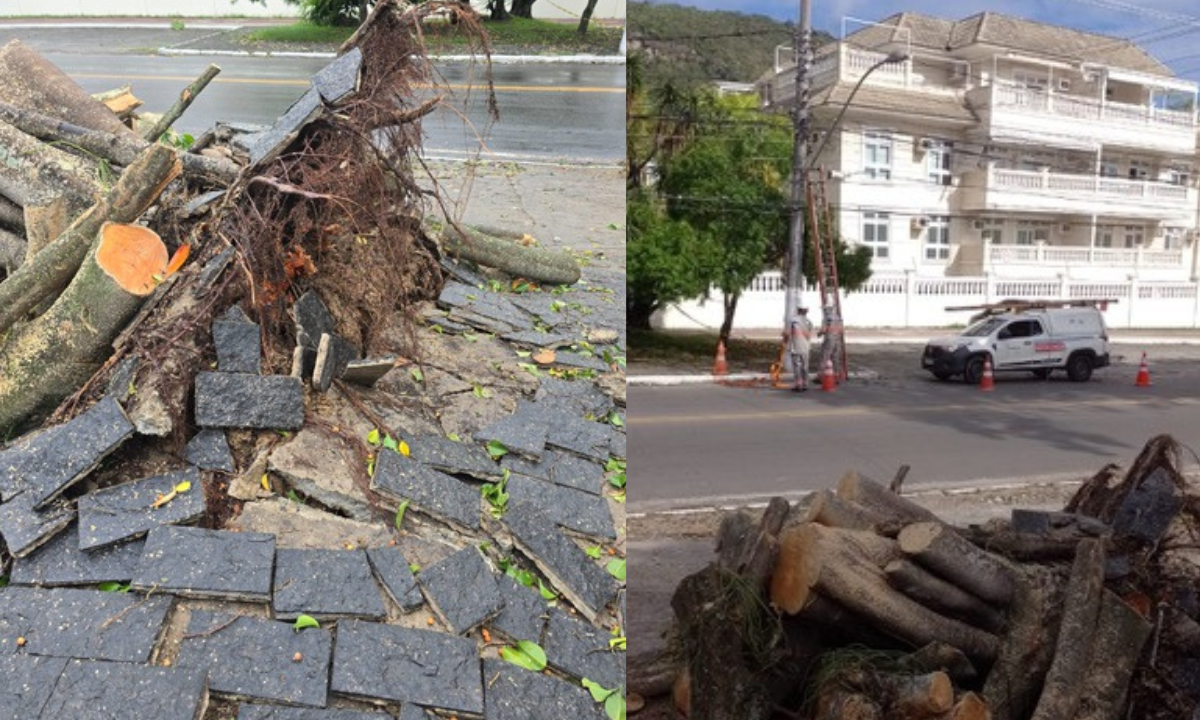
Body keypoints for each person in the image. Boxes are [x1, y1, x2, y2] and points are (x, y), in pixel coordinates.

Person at [787, 306, 814, 391]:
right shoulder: (809, 322)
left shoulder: (793, 321)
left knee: (797, 366)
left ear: (798, 311)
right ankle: (805, 384)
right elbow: (809, 335)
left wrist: (784, 336)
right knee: (805, 366)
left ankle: (798, 385)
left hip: (796, 346)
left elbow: (788, 333)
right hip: (806, 347)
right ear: (806, 312)